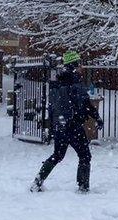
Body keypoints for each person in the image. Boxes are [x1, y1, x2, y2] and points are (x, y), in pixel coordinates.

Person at [31, 51, 102, 193]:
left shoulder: (57, 82)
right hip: (74, 126)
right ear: (75, 64)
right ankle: (83, 186)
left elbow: (54, 106)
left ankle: (38, 181)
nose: (81, 66)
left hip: (60, 126)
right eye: (79, 63)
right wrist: (96, 116)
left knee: (57, 155)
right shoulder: (75, 81)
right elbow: (85, 103)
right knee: (85, 155)